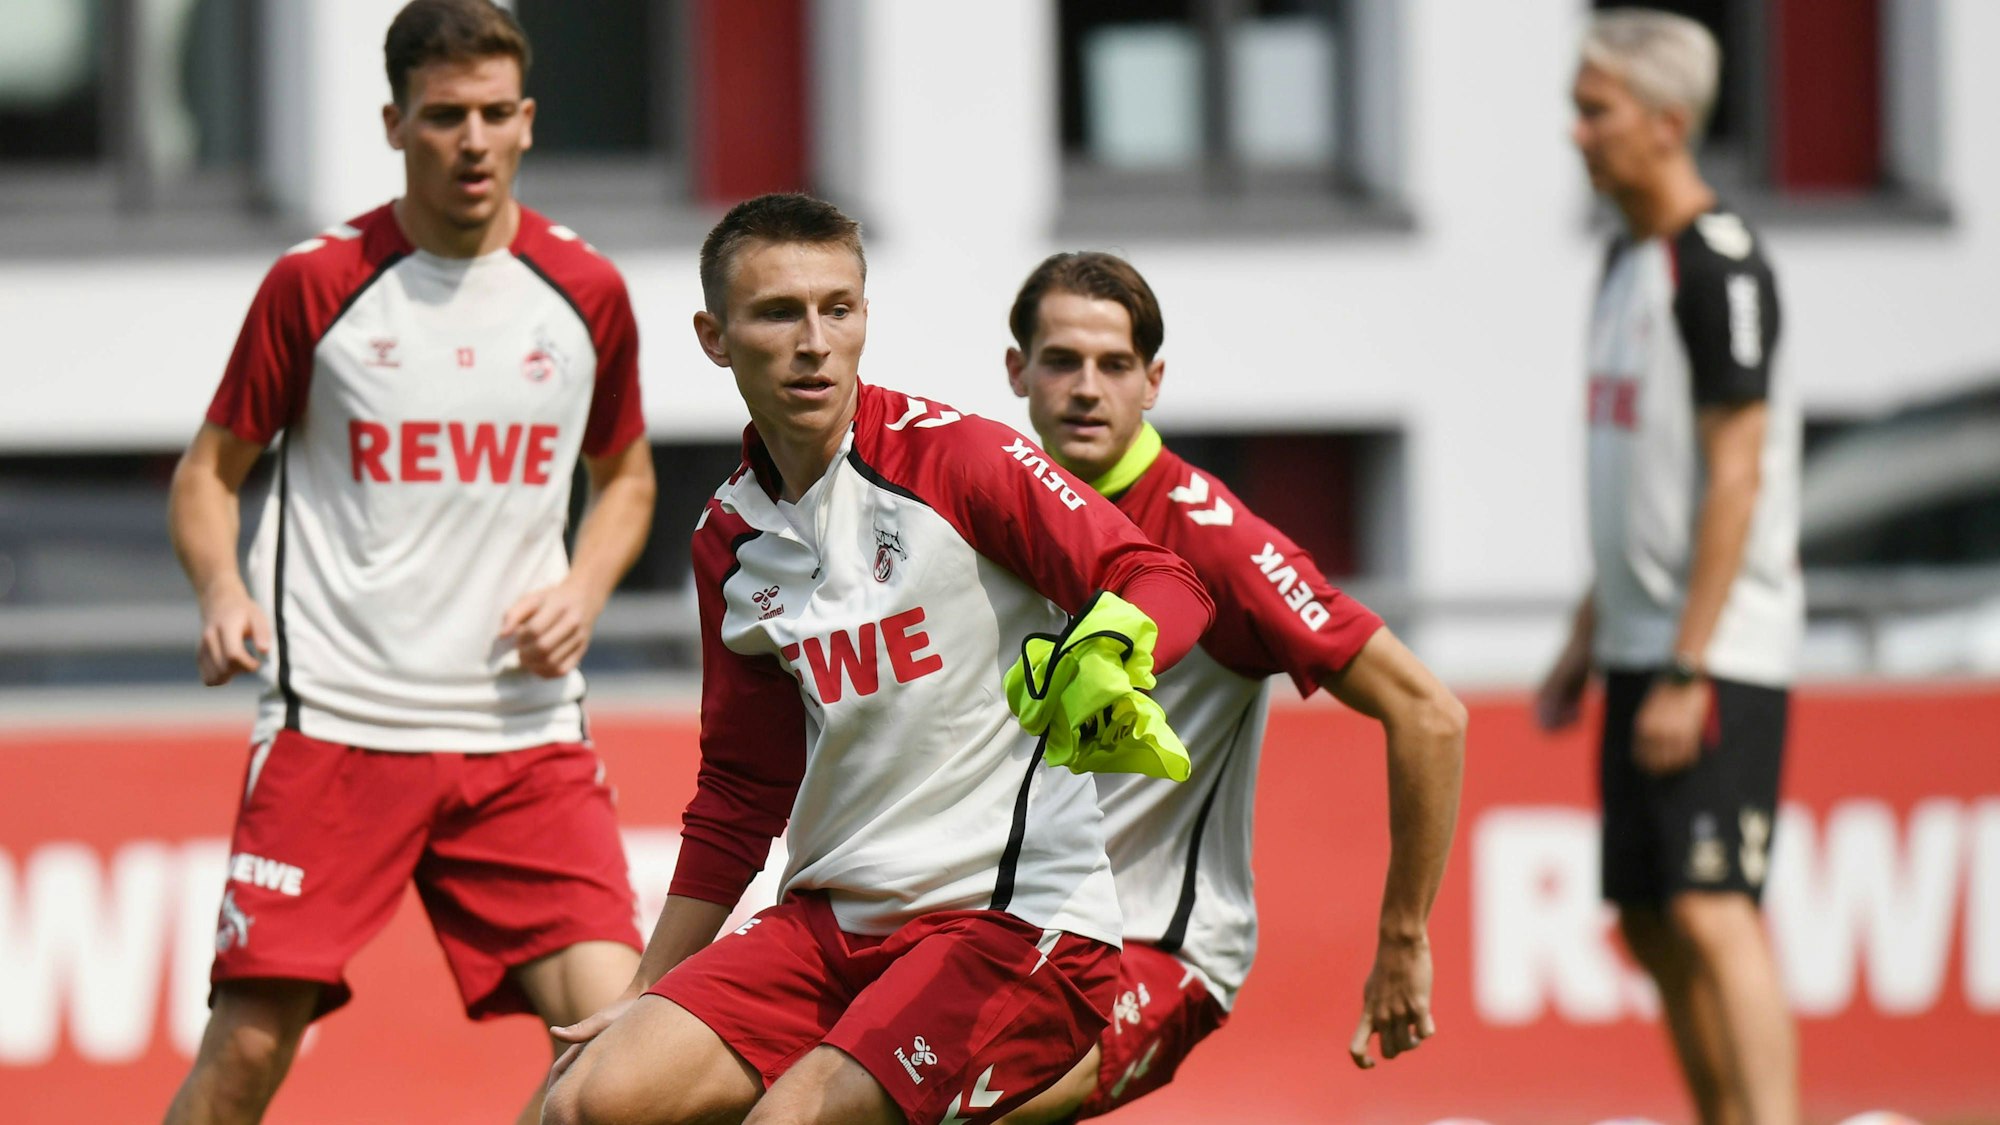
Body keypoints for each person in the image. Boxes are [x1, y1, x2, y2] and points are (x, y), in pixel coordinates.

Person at [540, 193, 1216, 1125]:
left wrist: (1111, 645)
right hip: (830, 929)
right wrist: (648, 987)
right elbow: (741, 787)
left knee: (790, 1121)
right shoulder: (727, 536)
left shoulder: (961, 458)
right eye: (779, 312)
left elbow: (1163, 578)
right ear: (714, 337)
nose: (814, 342)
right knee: (586, 1101)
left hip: (1014, 927)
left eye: (838, 308)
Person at [162, 3, 654, 1122]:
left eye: (494, 113)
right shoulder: (317, 282)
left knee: (621, 1055)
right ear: (394, 124)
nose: (472, 141)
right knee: (245, 1054)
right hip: (337, 719)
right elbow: (207, 473)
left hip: (520, 732)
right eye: (443, 116)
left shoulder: (586, 291)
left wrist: (582, 588)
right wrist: (223, 590)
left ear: (528, 120)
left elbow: (625, 477)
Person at [992, 251, 1467, 1123]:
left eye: (1115, 364)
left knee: (923, 1099)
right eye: (1062, 361)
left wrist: (1404, 938)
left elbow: (1429, 712)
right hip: (993, 929)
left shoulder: (1215, 542)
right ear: (1018, 370)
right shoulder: (986, 508)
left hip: (1152, 945)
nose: (1087, 388)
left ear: (1153, 381)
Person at [1537, 10, 1800, 1125]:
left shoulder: (1718, 264)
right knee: (1648, 916)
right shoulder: (1620, 261)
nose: (1576, 133)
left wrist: (1690, 666)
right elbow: (1636, 484)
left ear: (1667, 122)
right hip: (1641, 647)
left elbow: (1734, 478)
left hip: (1718, 648)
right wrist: (1587, 636)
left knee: (1709, 905)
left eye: (1594, 111)